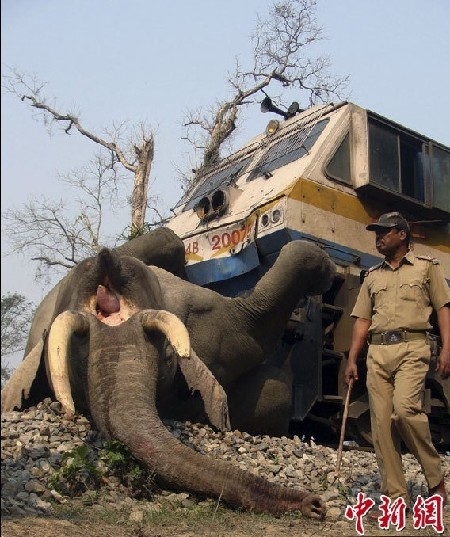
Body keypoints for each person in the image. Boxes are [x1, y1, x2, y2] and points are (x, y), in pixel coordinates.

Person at [345, 211, 449, 511]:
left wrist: (446, 348)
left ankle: (435, 479)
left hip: (413, 348)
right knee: (380, 426)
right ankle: (396, 497)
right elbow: (362, 320)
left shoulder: (427, 269)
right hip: (377, 354)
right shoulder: (371, 276)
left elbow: (443, 308)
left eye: (384, 232)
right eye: (376, 233)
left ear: (402, 234)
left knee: (405, 412)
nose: (378, 237)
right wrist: (353, 360)